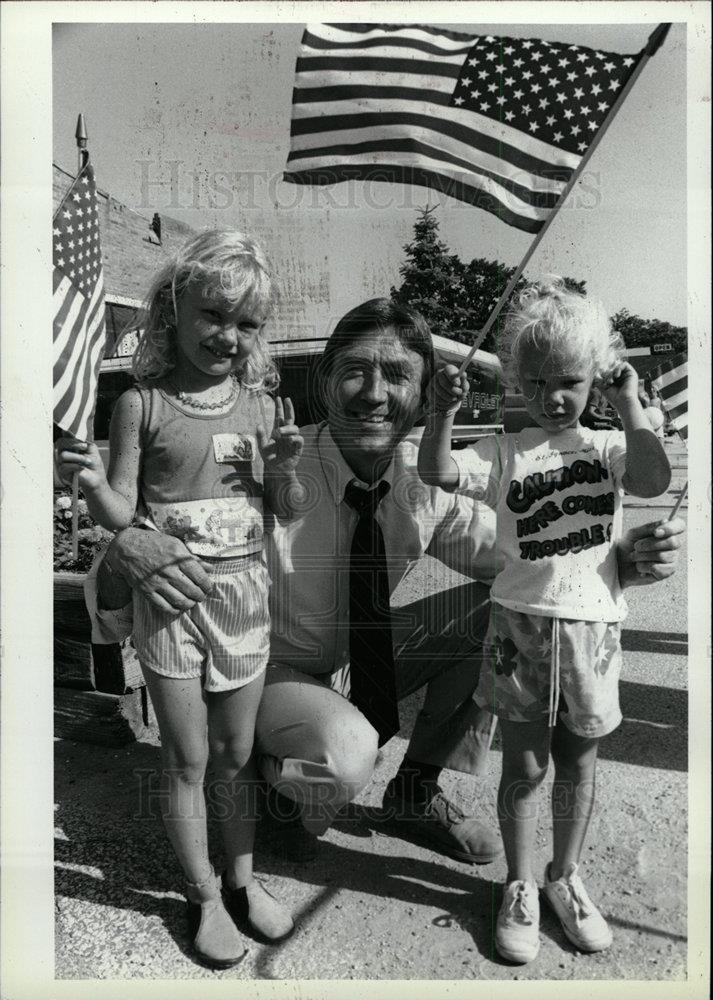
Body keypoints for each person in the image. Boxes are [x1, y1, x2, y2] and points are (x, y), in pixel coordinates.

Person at [85, 297, 684, 889]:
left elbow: (526, 567)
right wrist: (124, 551)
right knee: (344, 753)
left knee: (505, 616)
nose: (373, 393)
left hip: (359, 665)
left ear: (425, 397)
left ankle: (413, 792)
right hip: (262, 673)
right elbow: (116, 596)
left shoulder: (421, 479)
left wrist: (621, 563)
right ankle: (266, 782)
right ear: (324, 382)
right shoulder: (274, 463)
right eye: (355, 371)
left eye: (397, 375)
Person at [56, 230, 302, 969]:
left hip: (245, 600)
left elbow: (285, 510)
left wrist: (287, 469)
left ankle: (243, 878)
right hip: (171, 606)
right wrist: (91, 480)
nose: (227, 336)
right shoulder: (142, 404)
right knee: (188, 759)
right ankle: (200, 897)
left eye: (245, 323)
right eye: (212, 316)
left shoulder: (263, 409)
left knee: (236, 752)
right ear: (173, 312)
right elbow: (119, 509)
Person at [417, 278, 672, 964]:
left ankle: (565, 875)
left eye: (568, 381)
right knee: (524, 764)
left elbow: (650, 481)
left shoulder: (607, 447)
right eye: (534, 384)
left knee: (578, 762)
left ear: (592, 376)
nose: (552, 397)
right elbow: (437, 470)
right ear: (515, 384)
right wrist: (440, 410)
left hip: (590, 629)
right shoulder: (507, 450)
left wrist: (627, 405)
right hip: (518, 628)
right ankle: (522, 883)